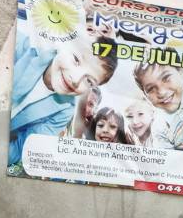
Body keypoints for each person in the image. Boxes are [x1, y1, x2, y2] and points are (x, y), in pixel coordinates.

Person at [9, 30, 117, 168]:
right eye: (76, 60)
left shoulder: (65, 111)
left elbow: (23, 148)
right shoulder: (22, 45)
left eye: (89, 81)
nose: (75, 79)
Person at [133, 61, 183, 182]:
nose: (162, 92)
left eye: (166, 78)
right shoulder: (159, 128)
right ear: (145, 97)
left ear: (180, 72)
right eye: (151, 89)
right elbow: (173, 171)